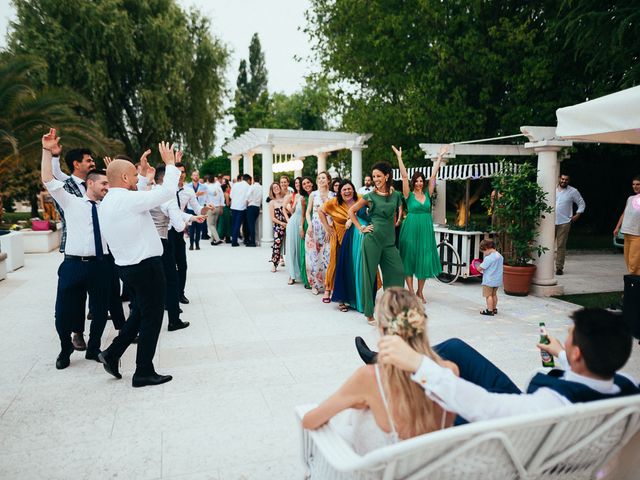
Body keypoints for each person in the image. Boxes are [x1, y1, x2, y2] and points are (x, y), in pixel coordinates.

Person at [377, 307, 639, 423]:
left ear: (579, 354)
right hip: (520, 407)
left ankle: (394, 360)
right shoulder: (627, 388)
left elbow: (481, 405)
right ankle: (392, 358)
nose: (565, 338)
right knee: (456, 347)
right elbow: (591, 376)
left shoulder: (551, 404)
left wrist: (418, 364)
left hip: (509, 428)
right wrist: (561, 354)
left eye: (569, 336)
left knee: (436, 401)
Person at [302, 288, 458, 454]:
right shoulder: (450, 370)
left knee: (355, 413)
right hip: (430, 468)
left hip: (381, 471)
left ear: (382, 329)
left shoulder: (369, 378)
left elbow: (310, 421)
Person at [97, 141, 179, 388]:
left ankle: (112, 354)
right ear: (123, 177)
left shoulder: (111, 200)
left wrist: (141, 172)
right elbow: (164, 193)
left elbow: (138, 194)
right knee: (152, 318)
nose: (137, 178)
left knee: (141, 311)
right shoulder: (126, 200)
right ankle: (143, 371)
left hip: (128, 267)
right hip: (146, 268)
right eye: (133, 175)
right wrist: (171, 165)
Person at [41, 128, 111, 369]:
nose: (106, 187)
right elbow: (49, 179)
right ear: (90, 183)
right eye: (104, 183)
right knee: (63, 312)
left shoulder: (108, 206)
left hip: (100, 265)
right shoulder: (71, 201)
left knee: (101, 311)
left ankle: (93, 348)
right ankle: (65, 347)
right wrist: (47, 152)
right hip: (72, 264)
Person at [149, 164, 205, 331]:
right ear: (165, 179)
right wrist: (186, 221)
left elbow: (177, 213)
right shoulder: (168, 197)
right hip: (162, 240)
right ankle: (174, 319)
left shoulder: (150, 192)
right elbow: (179, 225)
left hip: (149, 241)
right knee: (172, 279)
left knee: (153, 279)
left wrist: (193, 218)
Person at [348, 159, 405, 324]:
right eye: (374, 176)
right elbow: (352, 211)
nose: (376, 179)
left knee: (398, 271)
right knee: (369, 275)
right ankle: (369, 313)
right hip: (372, 240)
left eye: (379, 176)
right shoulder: (369, 196)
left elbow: (397, 214)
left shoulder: (396, 195)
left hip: (389, 242)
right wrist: (361, 227)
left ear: (387, 176)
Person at [395, 145, 445, 303]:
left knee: (424, 259)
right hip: (410, 229)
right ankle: (410, 291)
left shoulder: (428, 193)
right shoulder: (407, 194)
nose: (419, 183)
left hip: (425, 230)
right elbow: (403, 177)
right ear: (413, 182)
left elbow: (434, 174)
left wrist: (439, 158)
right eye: (416, 181)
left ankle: (420, 291)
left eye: (421, 180)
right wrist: (399, 158)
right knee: (409, 259)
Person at [171, 162, 209, 304]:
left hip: (179, 231)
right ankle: (169, 296)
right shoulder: (165, 190)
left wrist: (206, 209)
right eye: (178, 172)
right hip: (165, 232)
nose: (181, 174)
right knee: (168, 266)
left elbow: (198, 209)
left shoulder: (188, 191)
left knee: (182, 264)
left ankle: (180, 293)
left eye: (183, 171)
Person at [319, 179, 358, 309]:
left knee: (355, 266)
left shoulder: (361, 200)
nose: (347, 191)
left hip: (357, 238)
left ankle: (355, 295)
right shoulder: (334, 203)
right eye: (344, 190)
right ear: (340, 192)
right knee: (338, 265)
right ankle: (332, 291)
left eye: (349, 188)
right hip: (340, 237)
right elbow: (320, 211)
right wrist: (327, 227)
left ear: (353, 189)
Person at [305, 172, 334, 294]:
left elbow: (334, 214)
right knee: (313, 257)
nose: (321, 180)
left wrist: (329, 228)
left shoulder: (333, 195)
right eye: (319, 178)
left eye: (324, 178)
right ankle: (314, 285)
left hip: (327, 228)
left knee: (328, 258)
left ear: (328, 180)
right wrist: (310, 225)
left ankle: (328, 285)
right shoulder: (313, 194)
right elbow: (308, 212)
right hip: (314, 227)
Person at [555, 174, 586, 275]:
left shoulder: (573, 191)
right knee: (546, 245)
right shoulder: (552, 188)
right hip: (549, 222)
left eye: (566, 179)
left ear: (569, 181)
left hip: (564, 222)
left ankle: (559, 267)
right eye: (562, 179)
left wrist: (577, 215)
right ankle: (544, 267)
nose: (564, 181)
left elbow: (581, 203)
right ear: (559, 179)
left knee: (561, 246)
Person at [613, 176, 640, 275]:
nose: (635, 186)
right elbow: (624, 213)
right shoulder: (630, 198)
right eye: (633, 184)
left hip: (637, 235)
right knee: (628, 261)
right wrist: (617, 227)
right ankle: (634, 286)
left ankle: (634, 284)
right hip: (626, 233)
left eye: (638, 184)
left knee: (634, 263)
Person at [285, 177, 306, 284]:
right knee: (292, 248)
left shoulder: (306, 195)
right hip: (293, 223)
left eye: (300, 183)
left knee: (301, 249)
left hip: (303, 223)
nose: (298, 184)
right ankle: (292, 275)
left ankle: (303, 273)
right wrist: (289, 206)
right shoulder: (293, 195)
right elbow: (288, 209)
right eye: (296, 183)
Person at [477, 238, 503, 316]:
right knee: (494, 294)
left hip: (489, 280)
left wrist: (477, 268)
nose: (484, 254)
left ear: (487, 248)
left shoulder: (489, 258)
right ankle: (494, 309)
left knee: (488, 296)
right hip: (497, 280)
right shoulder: (499, 256)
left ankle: (489, 310)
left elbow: (480, 268)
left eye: (484, 251)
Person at [299, 176, 315, 289]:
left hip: (318, 223)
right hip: (307, 225)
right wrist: (301, 227)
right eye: (304, 184)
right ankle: (307, 280)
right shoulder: (304, 198)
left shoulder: (317, 194)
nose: (306, 185)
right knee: (306, 253)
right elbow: (303, 214)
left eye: (308, 182)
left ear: (312, 183)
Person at [269, 182, 289, 272]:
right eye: (274, 188)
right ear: (272, 191)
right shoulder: (272, 202)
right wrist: (281, 223)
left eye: (277, 187)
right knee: (277, 245)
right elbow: (272, 218)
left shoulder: (286, 198)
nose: (276, 188)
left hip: (289, 223)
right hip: (279, 225)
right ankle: (274, 263)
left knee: (290, 244)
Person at [184, 169, 206, 250]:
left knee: (199, 228)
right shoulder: (187, 186)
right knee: (191, 228)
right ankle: (191, 244)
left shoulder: (203, 186)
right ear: (191, 176)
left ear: (199, 176)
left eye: (197, 175)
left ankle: (197, 244)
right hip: (190, 209)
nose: (196, 176)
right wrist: (196, 195)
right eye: (194, 175)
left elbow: (208, 194)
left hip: (199, 209)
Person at [230, 174, 251, 246]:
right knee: (239, 224)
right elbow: (249, 198)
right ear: (248, 180)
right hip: (241, 207)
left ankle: (234, 239)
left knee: (234, 224)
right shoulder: (248, 186)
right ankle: (235, 242)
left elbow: (231, 196)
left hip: (233, 206)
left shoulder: (235, 185)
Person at [204, 175, 224, 245]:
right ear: (214, 180)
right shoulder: (218, 187)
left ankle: (217, 239)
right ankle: (212, 240)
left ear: (208, 180)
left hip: (210, 208)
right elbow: (222, 197)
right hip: (218, 207)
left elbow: (205, 199)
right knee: (214, 224)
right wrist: (221, 207)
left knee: (210, 224)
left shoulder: (207, 188)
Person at [246, 176, 261, 247]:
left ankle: (252, 242)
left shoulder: (252, 187)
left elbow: (247, 196)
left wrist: (248, 202)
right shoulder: (261, 187)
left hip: (251, 206)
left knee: (251, 225)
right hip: (257, 207)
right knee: (255, 225)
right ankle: (255, 240)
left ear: (253, 180)